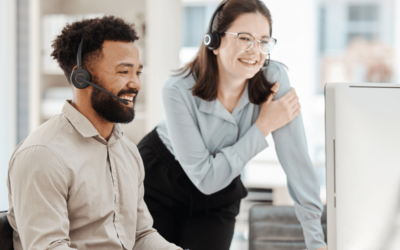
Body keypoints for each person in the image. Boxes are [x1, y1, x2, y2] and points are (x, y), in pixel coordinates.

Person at [137, 1, 327, 250]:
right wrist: (262, 126)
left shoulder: (275, 80)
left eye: (263, 41)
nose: (255, 51)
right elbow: (204, 177)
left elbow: (297, 161)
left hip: (221, 186)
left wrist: (316, 242)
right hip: (160, 180)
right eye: (245, 38)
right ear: (214, 42)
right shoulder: (177, 89)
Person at [7, 16, 181, 250]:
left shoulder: (127, 150)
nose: (136, 84)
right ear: (82, 78)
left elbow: (140, 235)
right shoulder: (43, 155)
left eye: (137, 72)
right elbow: (49, 246)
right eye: (123, 71)